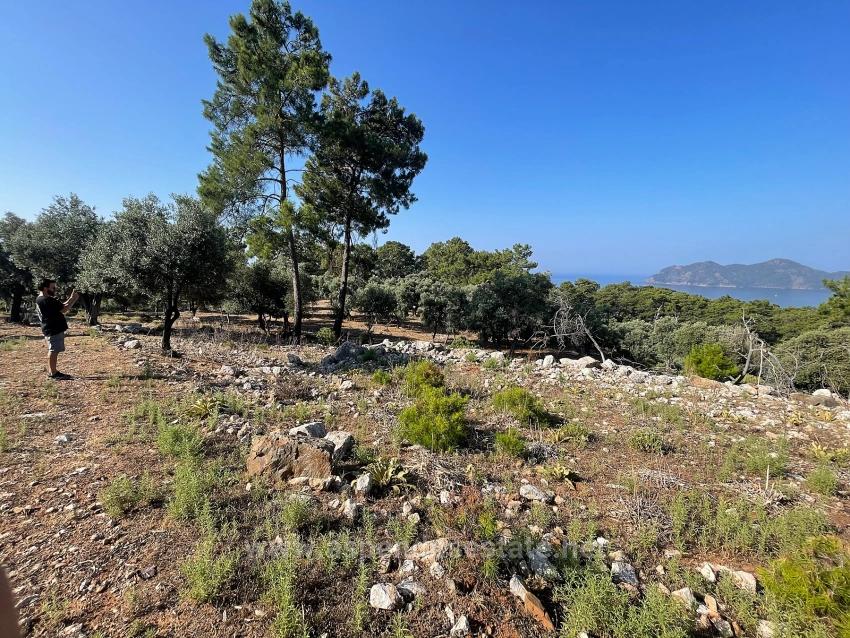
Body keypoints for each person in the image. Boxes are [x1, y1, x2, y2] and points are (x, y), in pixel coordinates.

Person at [35, 279, 80, 380]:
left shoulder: (41, 299)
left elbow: (60, 306)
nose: (55, 289)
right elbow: (64, 309)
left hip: (50, 328)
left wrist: (71, 298)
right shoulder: (47, 300)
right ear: (46, 288)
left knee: (54, 350)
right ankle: (53, 373)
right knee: (53, 350)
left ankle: (53, 372)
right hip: (53, 329)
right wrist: (74, 299)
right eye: (53, 287)